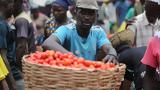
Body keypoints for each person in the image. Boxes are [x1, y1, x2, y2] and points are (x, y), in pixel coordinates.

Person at [42, 0, 118, 63]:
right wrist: (74, 58)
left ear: (96, 16)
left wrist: (112, 53)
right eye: (83, 12)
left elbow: (108, 47)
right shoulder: (66, 30)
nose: (87, 17)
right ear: (75, 14)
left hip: (91, 74)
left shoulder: (98, 32)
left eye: (91, 13)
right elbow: (48, 43)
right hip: (69, 73)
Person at [14, 0, 36, 72]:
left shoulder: (21, 20)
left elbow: (21, 46)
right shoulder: (21, 17)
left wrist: (16, 65)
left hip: (24, 65)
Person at [0, 1, 17, 90]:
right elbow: (3, 57)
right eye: (12, 5)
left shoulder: (4, 23)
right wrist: (12, 83)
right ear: (5, 6)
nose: (13, 8)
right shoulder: (1, 25)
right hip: (11, 74)